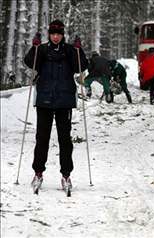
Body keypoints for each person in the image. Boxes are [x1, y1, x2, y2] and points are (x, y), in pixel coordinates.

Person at [24, 19, 88, 192]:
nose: (56, 37)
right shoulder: (43, 49)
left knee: (65, 140)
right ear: (49, 34)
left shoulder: (69, 50)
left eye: (58, 34)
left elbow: (81, 66)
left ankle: (66, 175)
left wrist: (78, 50)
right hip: (44, 99)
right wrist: (34, 47)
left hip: (64, 100)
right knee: (42, 138)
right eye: (53, 34)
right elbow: (30, 62)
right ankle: (38, 172)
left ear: (62, 35)